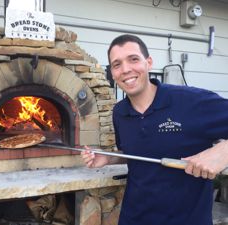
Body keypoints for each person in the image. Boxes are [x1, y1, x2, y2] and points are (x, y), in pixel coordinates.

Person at [81, 34, 228, 225]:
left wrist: (222, 152)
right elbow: (135, 151)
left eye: (133, 59)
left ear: (148, 62)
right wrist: (108, 158)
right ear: (113, 73)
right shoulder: (119, 112)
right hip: (133, 218)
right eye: (117, 65)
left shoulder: (191, 102)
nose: (125, 69)